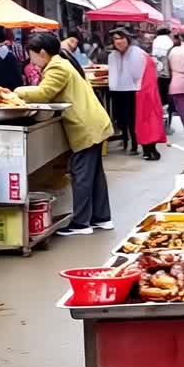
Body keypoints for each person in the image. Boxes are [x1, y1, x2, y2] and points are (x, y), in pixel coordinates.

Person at [17, 33, 113, 236]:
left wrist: (14, 91)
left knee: (82, 175)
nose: (31, 59)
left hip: (85, 125)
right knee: (94, 175)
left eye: (32, 54)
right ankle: (101, 218)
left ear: (42, 52)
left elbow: (44, 93)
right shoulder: (60, 63)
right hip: (92, 123)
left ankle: (81, 223)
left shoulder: (57, 67)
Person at [108, 28, 145, 152]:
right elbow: (112, 73)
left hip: (133, 90)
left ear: (127, 39)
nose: (118, 42)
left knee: (132, 117)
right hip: (117, 90)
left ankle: (134, 142)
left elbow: (140, 71)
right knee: (121, 117)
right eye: (115, 39)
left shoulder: (137, 52)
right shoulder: (112, 55)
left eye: (121, 38)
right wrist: (111, 87)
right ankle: (124, 140)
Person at [135, 47, 166, 160]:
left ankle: (147, 151)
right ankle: (151, 150)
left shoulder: (138, 58)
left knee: (143, 121)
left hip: (140, 92)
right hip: (150, 92)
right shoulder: (148, 59)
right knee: (151, 121)